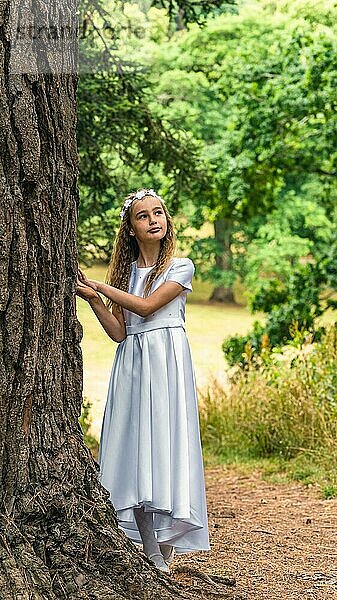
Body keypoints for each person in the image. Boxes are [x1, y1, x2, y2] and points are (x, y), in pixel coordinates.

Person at [76, 188, 210, 573]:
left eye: (159, 213)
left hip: (166, 364)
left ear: (166, 221)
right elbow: (121, 331)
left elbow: (149, 308)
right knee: (136, 449)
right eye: (143, 216)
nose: (154, 220)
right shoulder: (126, 275)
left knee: (164, 447)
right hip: (133, 365)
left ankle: (167, 542)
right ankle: (150, 545)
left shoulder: (180, 268)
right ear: (131, 229)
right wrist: (94, 300)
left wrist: (102, 285)